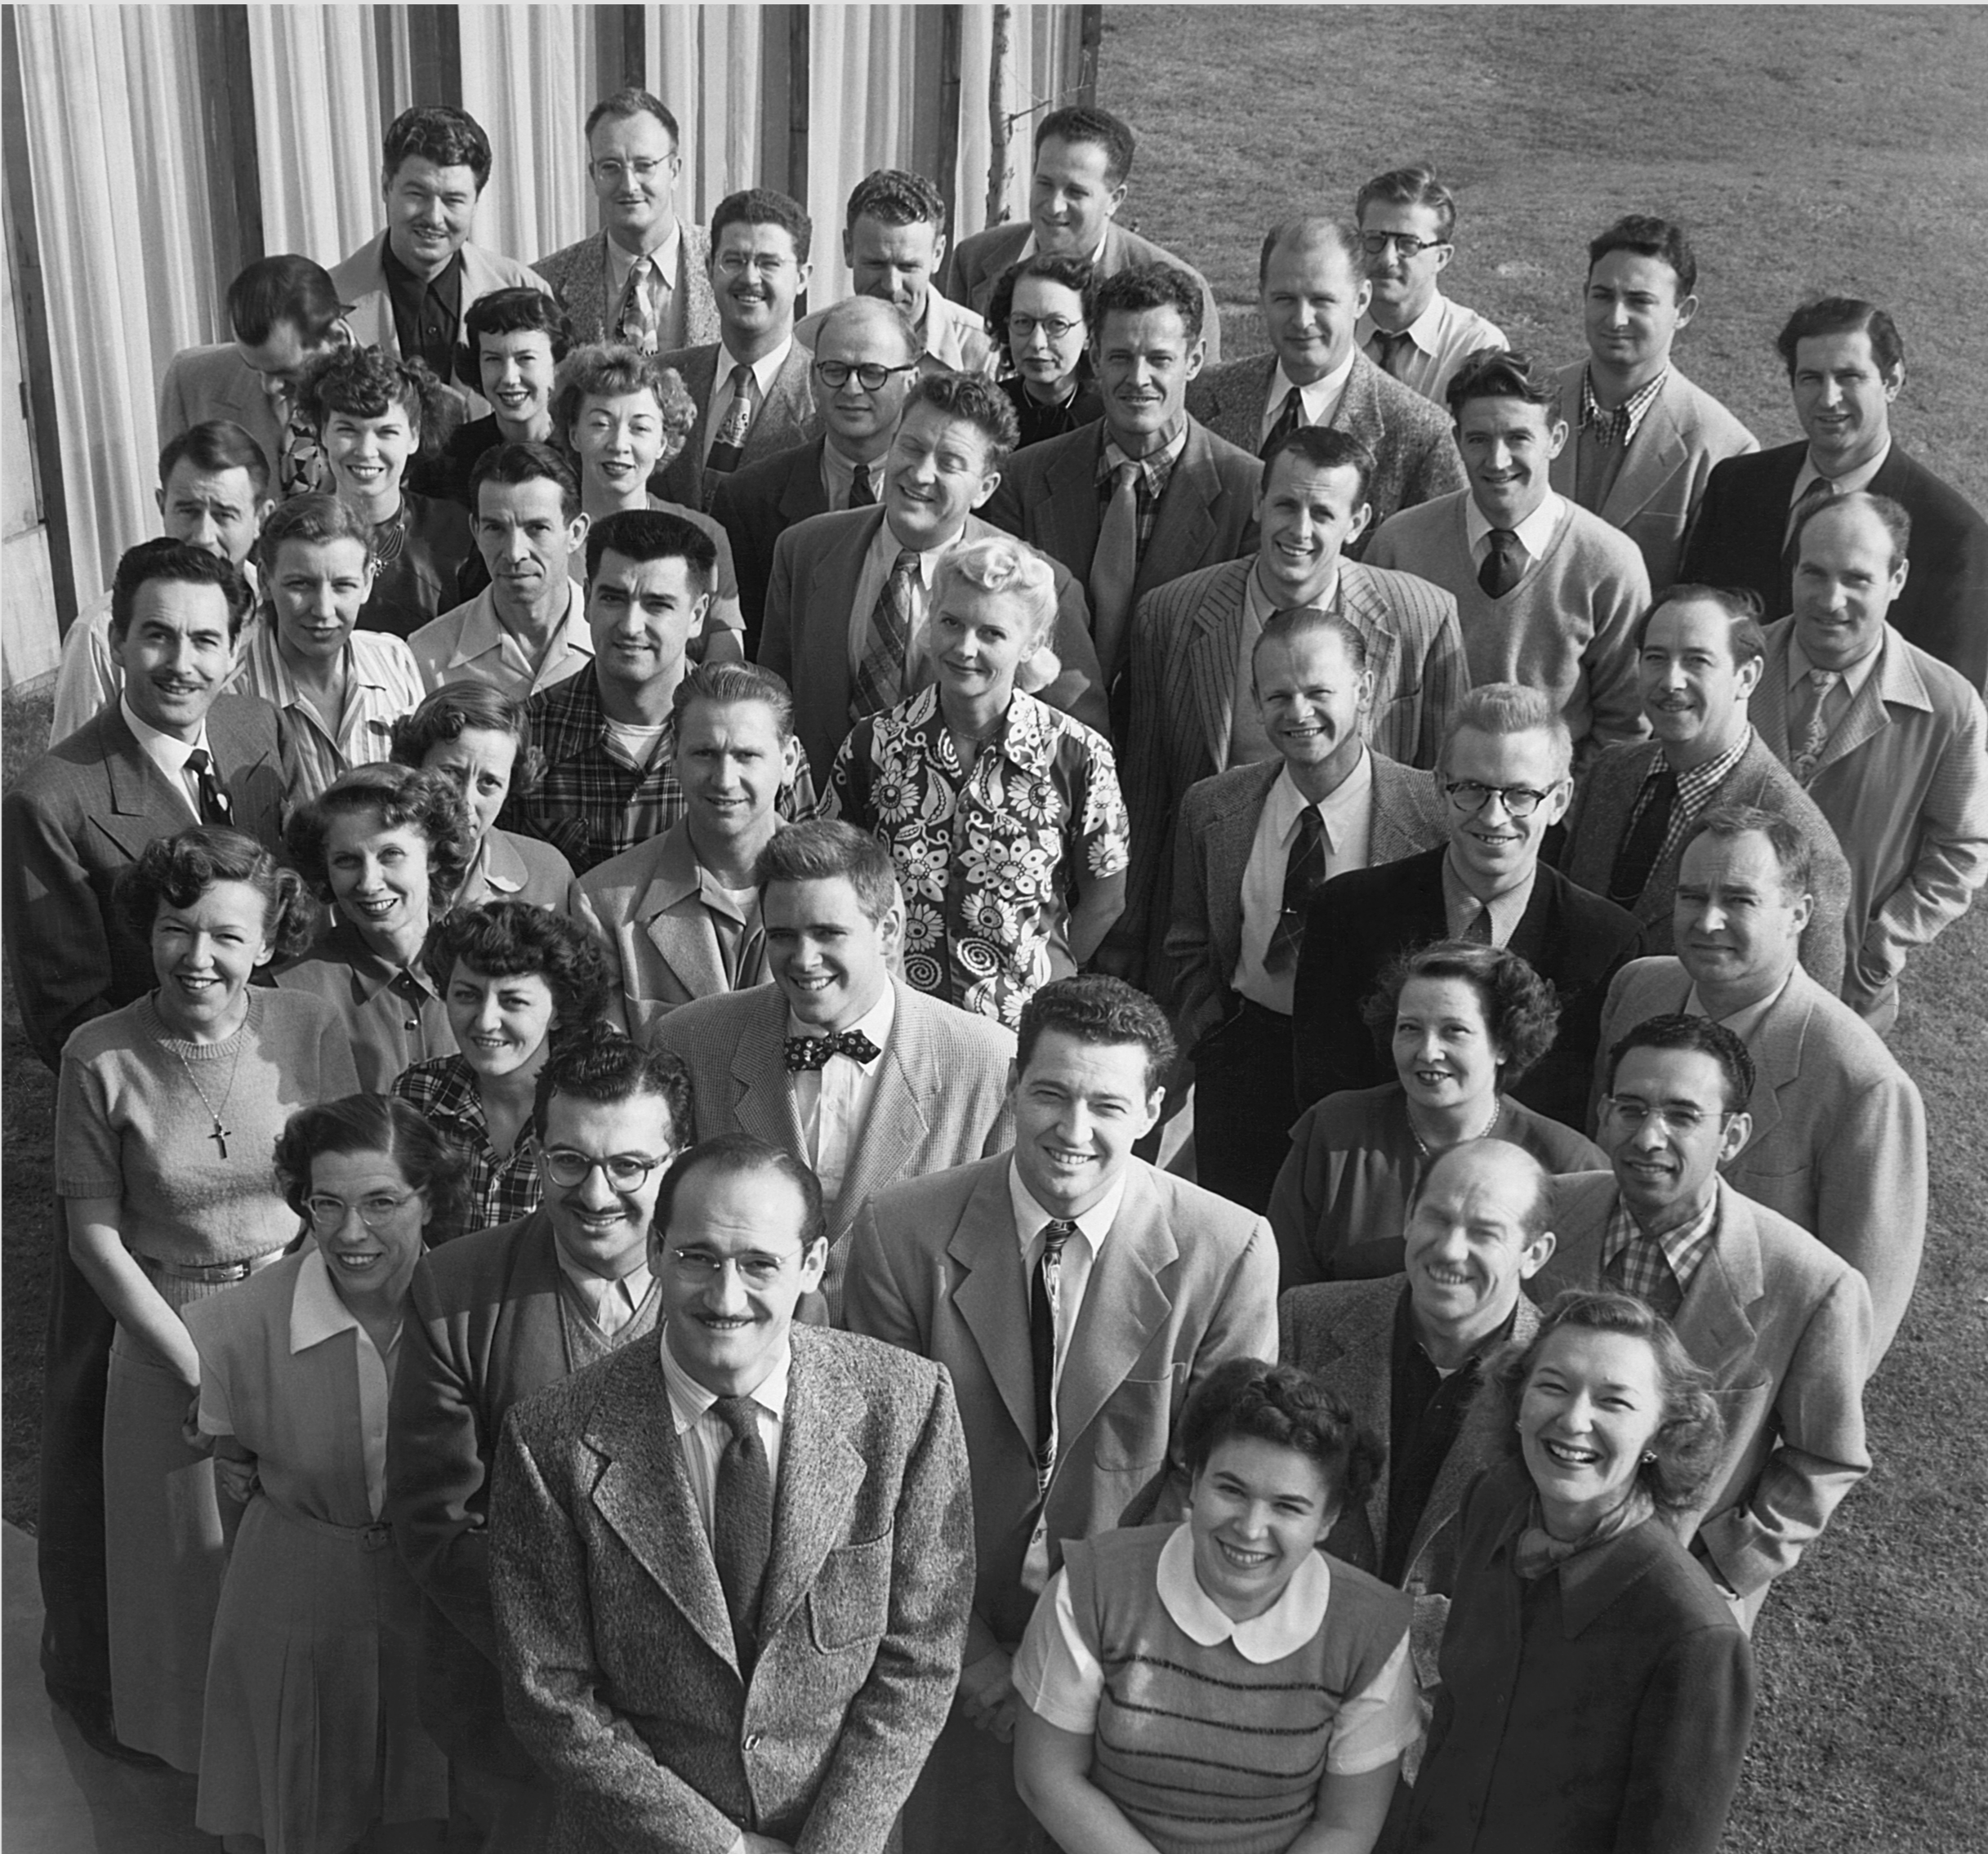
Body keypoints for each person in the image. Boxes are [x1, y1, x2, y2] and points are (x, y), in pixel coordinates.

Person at [841, 974, 1278, 1854]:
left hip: (1130, 1659)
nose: (1073, 1131)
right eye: (1051, 1093)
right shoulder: (901, 1231)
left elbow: (1215, 1484)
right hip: (937, 1654)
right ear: (1013, 1086)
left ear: (1153, 1110)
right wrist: (974, 1660)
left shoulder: (1229, 1249)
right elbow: (873, 1474)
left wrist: (1078, 1659)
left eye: (1106, 1105)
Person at [489, 1135, 975, 1853]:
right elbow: (550, 1694)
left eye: (758, 1264)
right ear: (657, 1250)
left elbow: (921, 1656)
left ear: (812, 1264)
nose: (725, 1297)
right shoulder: (551, 1440)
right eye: (698, 1258)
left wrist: (833, 1846)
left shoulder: (907, 1407)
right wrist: (722, 1850)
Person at [3, 541, 287, 1759]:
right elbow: (65, 1001)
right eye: (155, 635)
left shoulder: (260, 742)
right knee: (104, 1417)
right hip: (140, 1141)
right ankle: (104, 1675)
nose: (180, 661)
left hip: (264, 1108)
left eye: (205, 638)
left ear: (238, 646)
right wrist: (184, 1097)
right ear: (115, 640)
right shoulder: (58, 797)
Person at [55, 827, 358, 1771]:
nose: (198, 956)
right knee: (184, 1573)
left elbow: (343, 1193)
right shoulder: (99, 1053)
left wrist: (301, 1331)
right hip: (166, 1335)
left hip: (298, 1313)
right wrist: (202, 1373)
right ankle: (201, 1781)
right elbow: (94, 1238)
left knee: (307, 1561)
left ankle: (298, 1769)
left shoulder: (310, 1026)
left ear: (267, 942)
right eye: (176, 929)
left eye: (227, 935)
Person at [388, 1036, 690, 1852]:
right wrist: (570, 1675)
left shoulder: (733, 1285)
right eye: (569, 1161)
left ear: (676, 1163)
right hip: (516, 1722)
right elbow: (437, 1521)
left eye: (629, 1166)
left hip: (698, 1726)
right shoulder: (456, 1288)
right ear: (536, 1151)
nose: (595, 1193)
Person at [186, 1095, 466, 1852]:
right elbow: (232, 1475)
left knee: (430, 1814)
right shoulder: (237, 1324)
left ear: (429, 1198)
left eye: (381, 1203)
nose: (350, 1233)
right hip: (292, 1598)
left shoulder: (474, 1312)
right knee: (303, 1814)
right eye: (327, 1204)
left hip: (436, 1601)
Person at [1532, 1015, 1873, 1623]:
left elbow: (1826, 1458)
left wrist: (1718, 1569)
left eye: (1682, 1116)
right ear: (1604, 1114)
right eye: (1631, 1110)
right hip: (1521, 1555)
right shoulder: (1545, 1212)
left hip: (1672, 1606)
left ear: (1733, 1135)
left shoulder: (1813, 1286)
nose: (1649, 1138)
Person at [1012, 1358, 1417, 1854]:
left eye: (1287, 1506)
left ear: (1329, 1518)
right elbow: (1047, 1778)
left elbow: (1346, 1826)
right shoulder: (1093, 1585)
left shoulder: (1372, 1631)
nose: (1250, 1528)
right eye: (1231, 1490)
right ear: (1195, 1480)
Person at [1115, 426, 1469, 988]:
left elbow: (1446, 790)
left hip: (1374, 931)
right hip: (1223, 923)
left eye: (1323, 513)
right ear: (1259, 501)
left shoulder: (1421, 617)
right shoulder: (1172, 614)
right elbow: (1146, 789)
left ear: (1357, 522)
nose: (1300, 531)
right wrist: (1128, 940)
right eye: (1286, 505)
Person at [1403, 1289, 1754, 1854]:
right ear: (1518, 1403)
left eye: (1614, 1402)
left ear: (1661, 1434)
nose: (1573, 1420)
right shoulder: (1491, 1502)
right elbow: (1453, 1716)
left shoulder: (1695, 1637)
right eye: (1553, 1386)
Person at [1593, 804, 1928, 1360]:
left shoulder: (1864, 1086)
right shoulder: (1637, 991)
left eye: (1740, 900)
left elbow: (1861, 1319)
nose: (1708, 922)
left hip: (1735, 1380)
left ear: (1800, 914)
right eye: (1692, 896)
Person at [653, 820, 1017, 1300]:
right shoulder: (693, 1040)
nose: (804, 959)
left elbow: (995, 1260)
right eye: (783, 936)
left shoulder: (990, 1063)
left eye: (828, 933)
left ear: (889, 930)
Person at [1165, 606, 1451, 1210]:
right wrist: (1210, 1032)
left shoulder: (1430, 813)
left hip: (1373, 1072)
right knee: (1236, 1234)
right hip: (1245, 1063)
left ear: (1364, 689)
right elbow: (1189, 938)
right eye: (1278, 696)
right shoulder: (1213, 807)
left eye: (1319, 692)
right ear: (1254, 700)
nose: (1298, 713)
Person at [1292, 684, 1643, 1130]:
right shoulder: (1346, 912)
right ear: (1441, 787)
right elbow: (1324, 1094)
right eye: (1473, 789)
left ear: (1559, 801)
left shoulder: (1605, 942)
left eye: (1521, 794)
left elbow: (1591, 1113)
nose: (1494, 816)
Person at [830, 534, 1129, 1027]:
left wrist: (1040, 978)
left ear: (1032, 644)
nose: (965, 648)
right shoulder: (874, 744)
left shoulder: (1077, 755)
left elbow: (1106, 898)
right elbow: (836, 879)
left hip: (1021, 1031)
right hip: (897, 1023)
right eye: (951, 623)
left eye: (991, 633)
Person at [760, 368, 1109, 782]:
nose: (921, 473)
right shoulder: (804, 549)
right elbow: (771, 708)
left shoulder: (1037, 584)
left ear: (985, 488)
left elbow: (1077, 753)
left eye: (949, 463)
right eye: (912, 447)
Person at [1753, 492, 1988, 1027]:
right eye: (1814, 573)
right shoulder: (1734, 668)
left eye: (1857, 579)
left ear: (1897, 579)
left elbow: (1963, 849)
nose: (1831, 600)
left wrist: (1880, 949)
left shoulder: (1948, 708)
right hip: (1709, 963)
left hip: (1846, 998)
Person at [1277, 1140, 1555, 1593]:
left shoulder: (1558, 1382)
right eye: (1437, 1219)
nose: (1450, 1250)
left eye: (1485, 1233)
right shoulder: (1306, 1321)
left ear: (1535, 1254)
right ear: (1409, 1215)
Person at [1679, 296, 1988, 688]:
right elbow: (1689, 625)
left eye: (1849, 377)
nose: (1828, 399)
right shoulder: (1737, 485)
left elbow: (1948, 699)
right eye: (1811, 378)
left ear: (1892, 381)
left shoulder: (1953, 534)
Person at [1366, 348, 1651, 768]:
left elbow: (1624, 726)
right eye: (1478, 439)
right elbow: (1364, 690)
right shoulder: (1400, 544)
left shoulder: (1610, 564)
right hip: (1415, 794)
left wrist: (1560, 802)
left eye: (1518, 438)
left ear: (1556, 440)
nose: (1497, 461)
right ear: (1457, 441)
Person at [1558, 583, 1851, 988]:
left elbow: (1811, 1004)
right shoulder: (1611, 771)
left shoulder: (1802, 837)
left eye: (1697, 660)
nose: (1671, 681)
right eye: (1656, 658)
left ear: (1747, 677)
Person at [985, 264, 1260, 688]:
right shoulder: (1023, 480)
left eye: (1159, 360)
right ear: (1095, 357)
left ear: (1194, 360)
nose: (1138, 379)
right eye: (1121, 357)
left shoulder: (1248, 494)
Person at [1272, 942, 1605, 1284]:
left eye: (1454, 1031)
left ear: (1504, 1043)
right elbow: (1282, 1283)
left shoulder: (1569, 1162)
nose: (1428, 1052)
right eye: (1410, 1028)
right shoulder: (1336, 1129)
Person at [512, 509, 815, 874]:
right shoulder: (526, 735)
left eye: (658, 605)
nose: (631, 626)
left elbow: (807, 881)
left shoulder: (762, 741)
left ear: (697, 615)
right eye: (613, 598)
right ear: (588, 599)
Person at [1188, 216, 1464, 541]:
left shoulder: (1423, 437)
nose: (1302, 320)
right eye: (1285, 299)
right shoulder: (1201, 396)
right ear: (1262, 297)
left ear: (1361, 300)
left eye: (1322, 300)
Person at [571, 662, 803, 1039]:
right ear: (674, 756)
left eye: (746, 755)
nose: (724, 780)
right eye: (705, 754)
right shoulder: (605, 905)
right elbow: (604, 1065)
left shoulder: (851, 893)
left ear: (788, 761)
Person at [1549, 215, 1758, 592]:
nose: (1616, 318)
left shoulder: (1725, 450)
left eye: (1639, 301)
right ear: (1584, 295)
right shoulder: (1530, 406)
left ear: (1683, 312)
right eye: (1603, 296)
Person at [709, 296, 924, 653]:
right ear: (812, 379)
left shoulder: (941, 494)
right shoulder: (748, 499)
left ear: (911, 382)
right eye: (835, 370)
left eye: (873, 373)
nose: (852, 388)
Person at [50, 420, 276, 745]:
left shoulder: (280, 611)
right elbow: (71, 762)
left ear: (260, 519)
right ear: (161, 505)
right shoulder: (100, 631)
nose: (204, 536)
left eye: (225, 515)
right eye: (188, 511)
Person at [943, 104, 1224, 363]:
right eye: (1044, 184)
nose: (1054, 206)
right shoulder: (974, 260)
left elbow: (1201, 395)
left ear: (1115, 200)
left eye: (1075, 192)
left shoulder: (1180, 289)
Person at [394, 902, 613, 1232]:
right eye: (467, 995)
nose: (485, 1021)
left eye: (513, 1001)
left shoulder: (597, 1109)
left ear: (559, 1011)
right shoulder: (418, 1094)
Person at [328, 104, 550, 418]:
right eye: (416, 195)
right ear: (386, 187)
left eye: (453, 200)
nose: (434, 217)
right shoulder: (327, 302)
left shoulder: (525, 290)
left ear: (476, 201)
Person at [273, 763, 475, 1089]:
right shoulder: (290, 991)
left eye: (390, 854)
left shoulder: (483, 969)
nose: (369, 883)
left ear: (434, 857)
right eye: (346, 861)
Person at [227, 492, 425, 801]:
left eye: (342, 586)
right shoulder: (230, 698)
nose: (323, 609)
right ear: (265, 580)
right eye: (300, 584)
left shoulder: (395, 661)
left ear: (367, 582)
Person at [550, 340, 747, 648]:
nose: (619, 444)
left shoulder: (705, 535)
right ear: (574, 434)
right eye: (601, 424)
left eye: (639, 428)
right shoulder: (547, 535)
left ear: (663, 442)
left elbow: (725, 656)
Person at [655, 187, 822, 510]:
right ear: (708, 268)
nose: (749, 278)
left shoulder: (825, 397)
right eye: (733, 261)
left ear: (802, 278)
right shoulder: (660, 379)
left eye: (768, 263)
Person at [298, 344, 474, 639]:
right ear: (322, 433)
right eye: (348, 430)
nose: (366, 451)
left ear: (414, 436)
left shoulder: (456, 533)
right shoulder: (293, 532)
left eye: (387, 432)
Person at [533, 87, 719, 353]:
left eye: (644, 166)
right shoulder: (545, 285)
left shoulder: (728, 267)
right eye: (610, 167)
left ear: (674, 171)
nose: (629, 185)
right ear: (594, 176)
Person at [157, 252, 354, 501]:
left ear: (337, 338)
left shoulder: (394, 390)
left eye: (286, 371)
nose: (269, 386)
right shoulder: (190, 381)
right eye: (254, 367)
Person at [410, 443, 595, 698]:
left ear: (575, 533)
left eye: (537, 529)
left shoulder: (616, 642)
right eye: (496, 529)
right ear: (476, 531)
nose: (514, 553)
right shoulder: (426, 656)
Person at [390, 681, 577, 910]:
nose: (466, 802)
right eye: (450, 774)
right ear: (412, 765)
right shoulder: (367, 860)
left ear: (511, 786)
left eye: (489, 783)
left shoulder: (547, 873)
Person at [796, 167, 996, 374]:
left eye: (908, 266)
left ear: (937, 254)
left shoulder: (984, 352)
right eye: (876, 264)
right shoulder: (806, 343)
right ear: (848, 249)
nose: (892, 285)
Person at [1353, 166, 1506, 407]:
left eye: (1408, 244)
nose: (1387, 258)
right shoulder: (1327, 329)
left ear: (1441, 258)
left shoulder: (1475, 347)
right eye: (1375, 239)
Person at [426, 287, 573, 506]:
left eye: (525, 359)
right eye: (493, 359)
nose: (509, 378)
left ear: (557, 366)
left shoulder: (582, 453)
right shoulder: (448, 460)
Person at [987, 253, 1103, 448]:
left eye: (1057, 324)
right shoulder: (984, 413)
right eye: (1022, 322)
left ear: (1089, 332)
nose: (1037, 343)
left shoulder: (1109, 417)